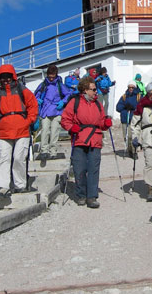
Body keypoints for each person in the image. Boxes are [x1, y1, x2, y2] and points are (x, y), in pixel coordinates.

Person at [0, 64, 39, 198]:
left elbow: (33, 106)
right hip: (4, 131)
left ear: (13, 77)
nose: (5, 80)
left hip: (22, 130)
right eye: (2, 77)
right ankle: (2, 187)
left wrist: (29, 121)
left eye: (8, 77)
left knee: (19, 158)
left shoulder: (22, 90)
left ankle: (20, 185)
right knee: (4, 158)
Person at [60, 76, 112, 208]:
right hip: (79, 139)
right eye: (93, 89)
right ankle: (81, 194)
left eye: (96, 89)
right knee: (79, 169)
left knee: (94, 169)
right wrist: (72, 128)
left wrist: (105, 124)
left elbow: (100, 122)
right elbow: (65, 119)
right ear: (84, 90)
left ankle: (91, 196)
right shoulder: (74, 102)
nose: (96, 92)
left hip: (95, 139)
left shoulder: (98, 104)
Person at [33, 65, 69, 161]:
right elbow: (35, 95)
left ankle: (53, 151)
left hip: (57, 111)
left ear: (56, 75)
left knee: (54, 131)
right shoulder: (43, 85)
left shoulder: (60, 85)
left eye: (53, 76)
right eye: (50, 76)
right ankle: (44, 151)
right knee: (45, 130)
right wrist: (37, 100)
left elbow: (68, 94)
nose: (51, 78)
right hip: (45, 110)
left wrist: (63, 102)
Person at [116, 82, 141, 157]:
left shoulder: (138, 96)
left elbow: (140, 106)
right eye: (129, 87)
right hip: (125, 119)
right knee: (126, 136)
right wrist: (125, 107)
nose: (131, 89)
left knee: (132, 136)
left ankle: (134, 151)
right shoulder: (124, 96)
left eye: (132, 87)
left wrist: (132, 106)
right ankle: (130, 150)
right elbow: (118, 107)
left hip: (134, 119)